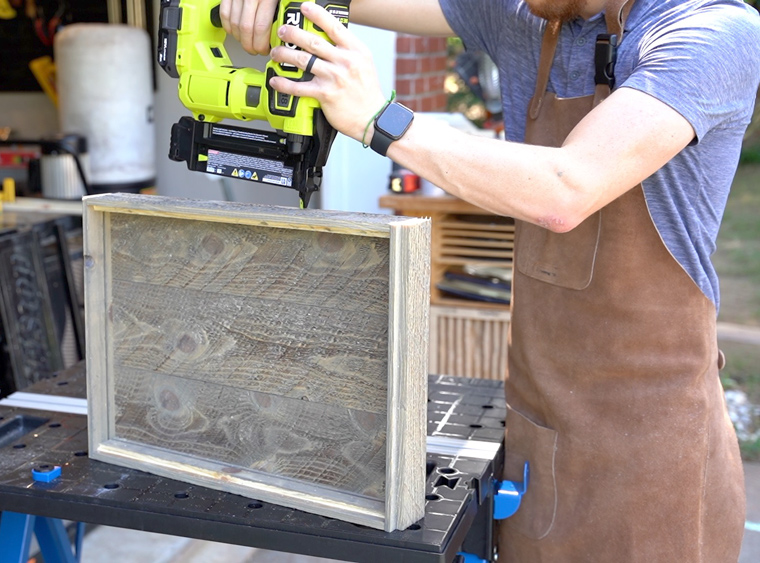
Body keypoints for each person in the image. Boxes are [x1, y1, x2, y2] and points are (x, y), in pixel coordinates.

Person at [220, 0, 760, 561]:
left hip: (653, 462)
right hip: (538, 437)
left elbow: (564, 188)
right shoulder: (528, 15)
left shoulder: (710, 31)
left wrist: (379, 119)